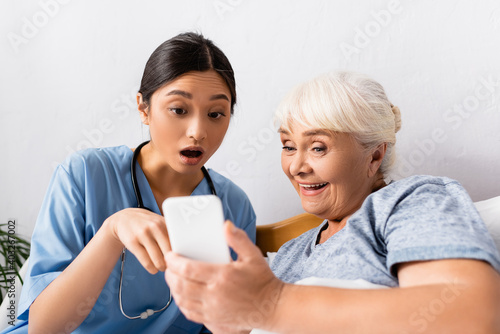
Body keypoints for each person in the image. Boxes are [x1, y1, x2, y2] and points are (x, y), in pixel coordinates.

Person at [164, 71, 500, 334]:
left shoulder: (410, 202)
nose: (297, 167)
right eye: (288, 145)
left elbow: (473, 316)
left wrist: (271, 303)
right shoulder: (289, 255)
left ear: (375, 155)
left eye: (318, 147)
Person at [2, 32, 256, 334]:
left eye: (216, 114)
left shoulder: (233, 207)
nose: (198, 132)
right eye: (178, 109)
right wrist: (111, 232)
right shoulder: (83, 175)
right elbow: (45, 327)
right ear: (143, 108)